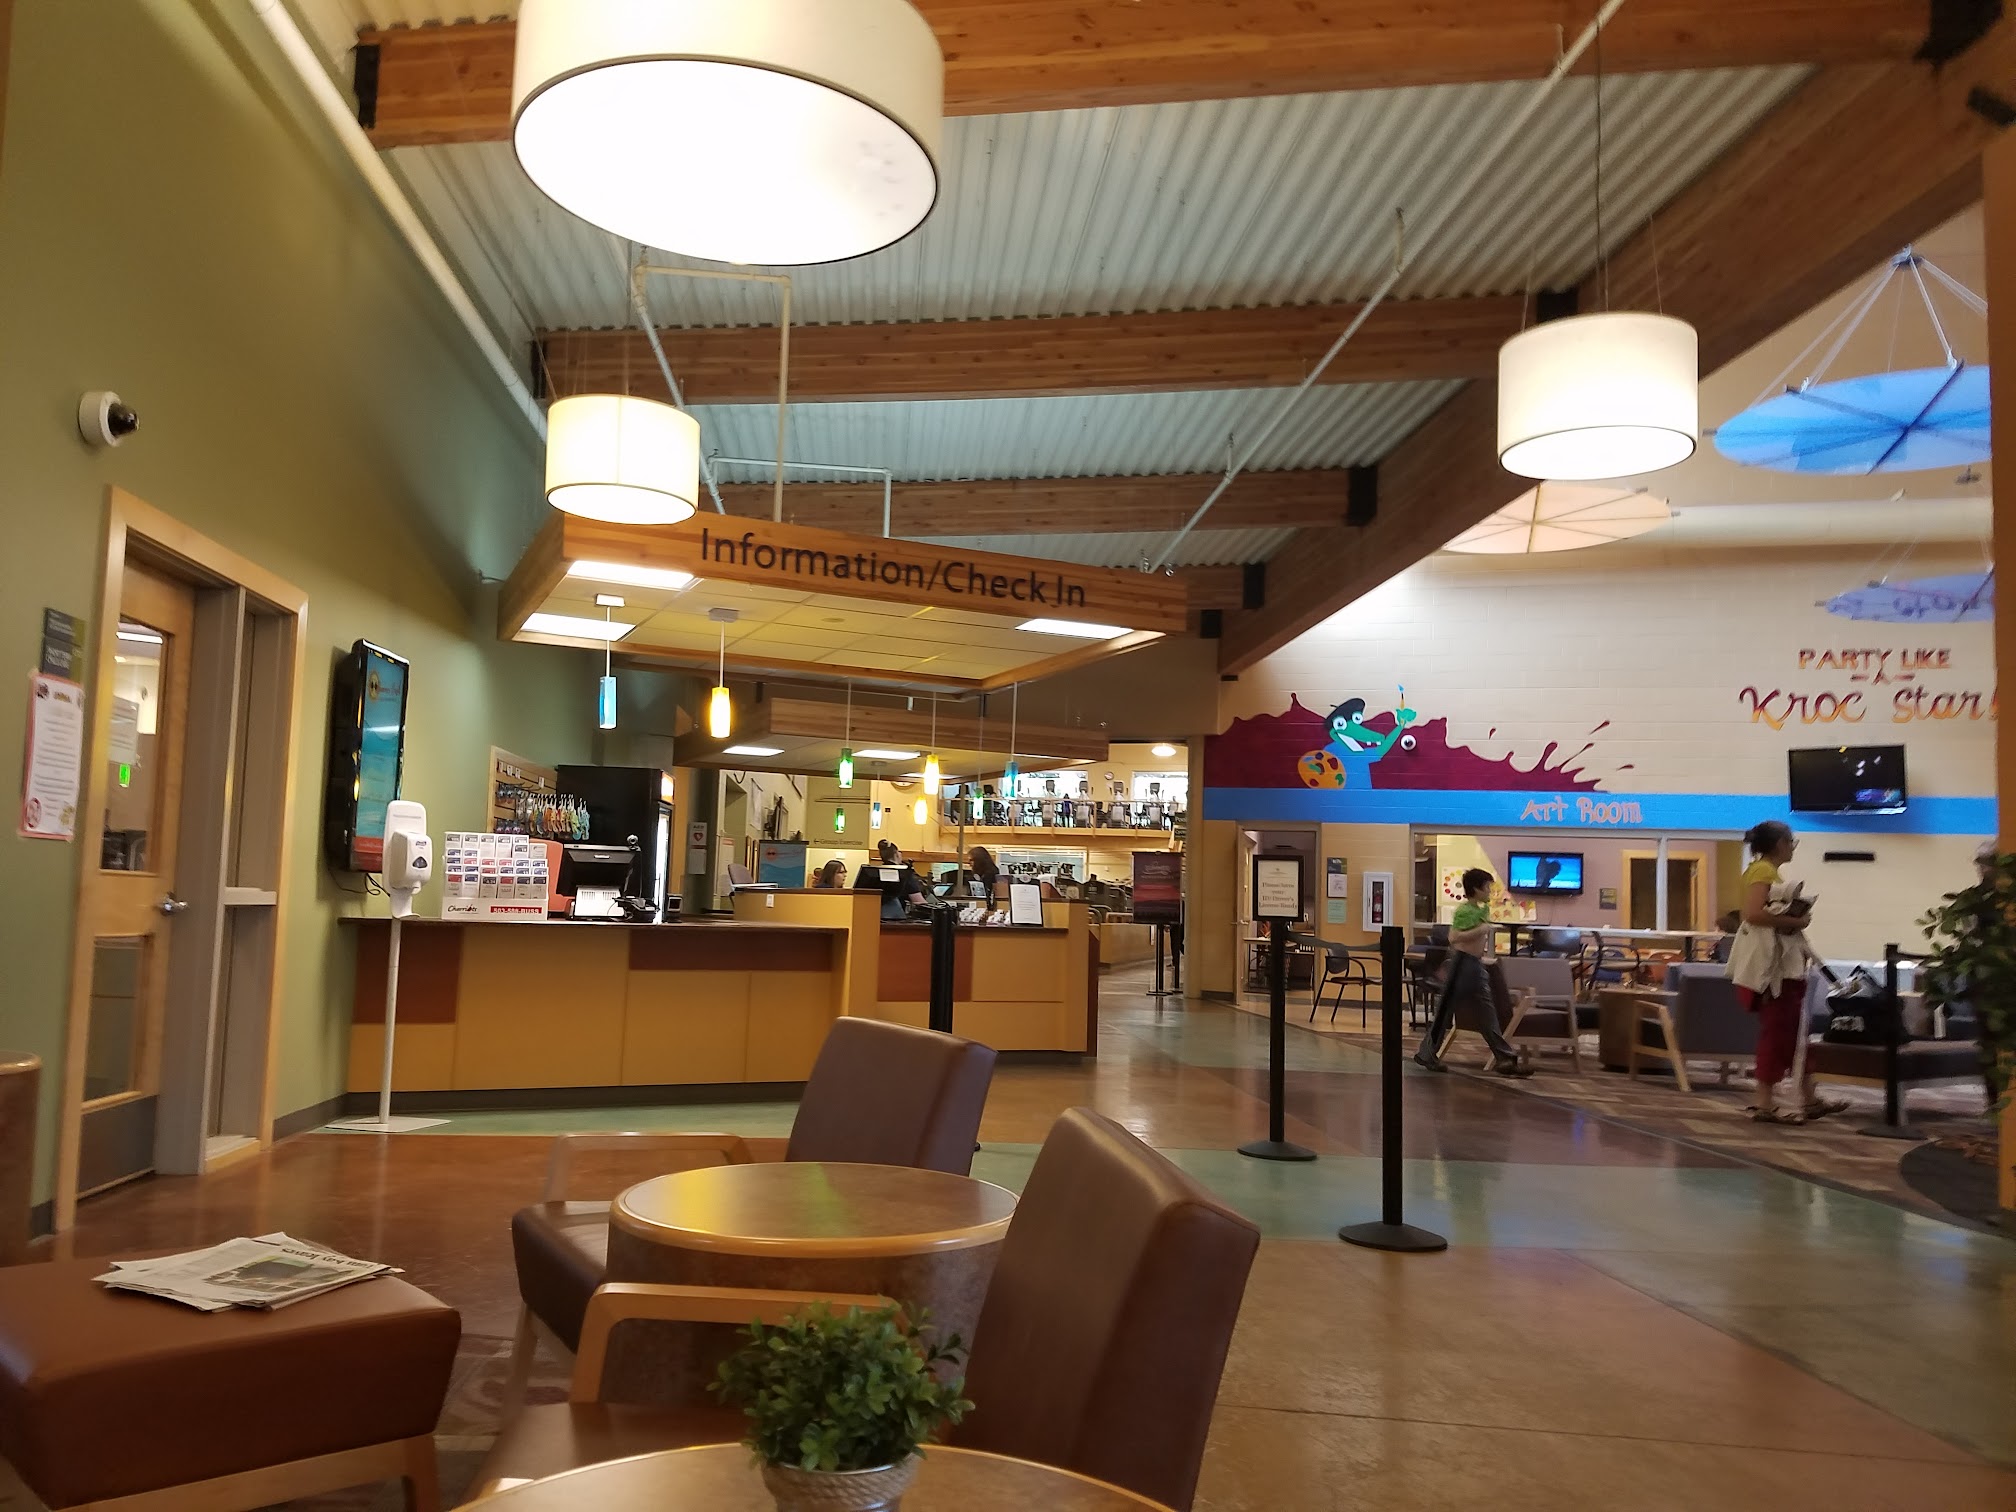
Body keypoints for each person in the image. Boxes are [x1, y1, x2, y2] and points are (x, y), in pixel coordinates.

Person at [1726, 820, 1845, 1124]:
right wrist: (1797, 921)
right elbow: (1753, 914)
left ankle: (1809, 1097)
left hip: (1780, 966)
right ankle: (1764, 1102)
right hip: (1773, 970)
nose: (1793, 847)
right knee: (1778, 1032)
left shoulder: (1763, 871)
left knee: (1792, 1034)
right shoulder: (1763, 871)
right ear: (1780, 843)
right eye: (1791, 842)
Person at [1416, 868, 1530, 1077]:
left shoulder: (1480, 911)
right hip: (1461, 964)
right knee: (1446, 1011)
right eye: (1487, 887)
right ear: (1476, 889)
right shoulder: (1465, 912)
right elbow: (1454, 937)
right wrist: (1481, 930)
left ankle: (1504, 1058)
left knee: (1486, 1013)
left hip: (1474, 965)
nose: (1490, 891)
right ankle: (1427, 1053)